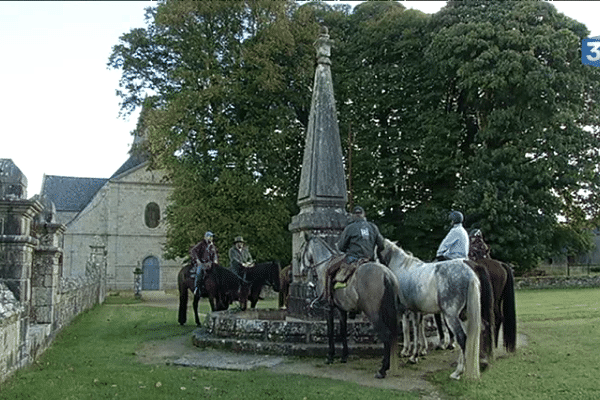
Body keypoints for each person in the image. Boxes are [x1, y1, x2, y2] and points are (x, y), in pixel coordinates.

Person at [324, 206, 385, 304]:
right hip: (370, 259)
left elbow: (341, 247)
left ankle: (328, 299)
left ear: (353, 216)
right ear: (364, 215)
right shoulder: (373, 227)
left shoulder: (350, 228)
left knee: (329, 269)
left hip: (353, 259)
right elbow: (382, 245)